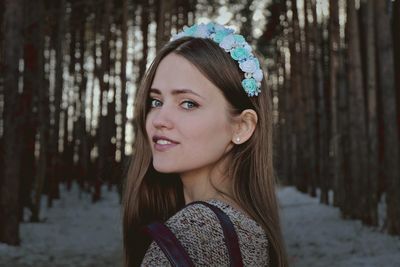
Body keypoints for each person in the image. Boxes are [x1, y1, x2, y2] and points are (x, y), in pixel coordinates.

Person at [122, 22, 288, 267]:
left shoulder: (191, 236)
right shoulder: (250, 228)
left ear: (241, 127)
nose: (158, 120)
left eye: (188, 103)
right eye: (156, 101)